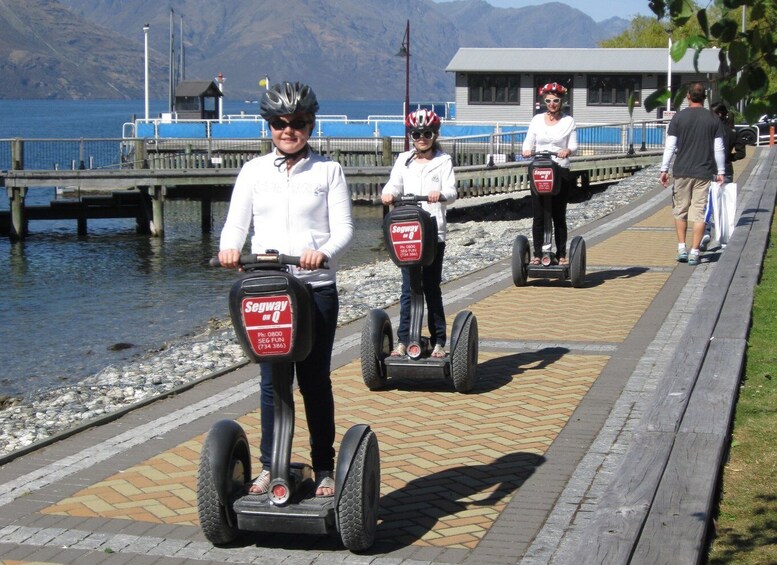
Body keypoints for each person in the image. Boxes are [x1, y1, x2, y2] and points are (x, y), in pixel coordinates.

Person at [218, 81, 353, 497]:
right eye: (279, 123)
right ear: (269, 126)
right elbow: (237, 224)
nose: (288, 130)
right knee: (271, 382)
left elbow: (345, 230)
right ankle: (268, 466)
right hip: (268, 289)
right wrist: (228, 249)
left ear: (311, 125)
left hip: (313, 290)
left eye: (297, 123)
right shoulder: (253, 171)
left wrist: (322, 252)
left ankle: (324, 467)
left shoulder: (328, 171)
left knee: (314, 381)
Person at [381, 108, 457, 358]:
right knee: (409, 288)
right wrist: (388, 193)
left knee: (431, 286)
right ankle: (404, 340)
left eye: (426, 133)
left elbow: (452, 191)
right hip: (407, 231)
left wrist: (441, 195)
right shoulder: (403, 160)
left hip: (433, 232)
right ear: (411, 136)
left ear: (435, 134)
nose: (421, 138)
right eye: (416, 133)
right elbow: (394, 184)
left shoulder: (443, 161)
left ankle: (438, 341)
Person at [659, 82, 726, 266]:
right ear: (704, 97)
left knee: (680, 210)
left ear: (688, 96)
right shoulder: (713, 119)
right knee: (699, 213)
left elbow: (670, 146)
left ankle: (682, 247)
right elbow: (718, 148)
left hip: (682, 171)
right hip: (704, 172)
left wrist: (664, 169)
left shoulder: (679, 118)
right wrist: (721, 171)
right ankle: (695, 251)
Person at [521, 82, 578, 265]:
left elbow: (574, 145)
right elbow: (528, 141)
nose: (552, 103)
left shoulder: (568, 121)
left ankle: (561, 254)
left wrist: (567, 151)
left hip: (560, 170)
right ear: (544, 101)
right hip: (540, 169)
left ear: (562, 101)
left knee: (558, 214)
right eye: (548, 100)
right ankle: (538, 254)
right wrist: (527, 150)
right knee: (539, 214)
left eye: (555, 100)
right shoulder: (537, 120)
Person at [700, 101, 746, 250]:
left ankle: (706, 231)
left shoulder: (708, 130)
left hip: (708, 169)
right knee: (725, 205)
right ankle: (724, 238)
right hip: (726, 170)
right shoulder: (732, 132)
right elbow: (741, 153)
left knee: (706, 203)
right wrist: (729, 158)